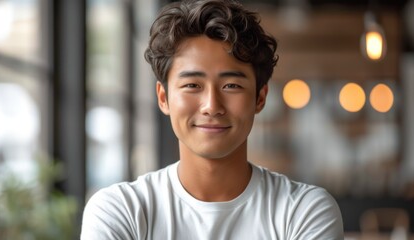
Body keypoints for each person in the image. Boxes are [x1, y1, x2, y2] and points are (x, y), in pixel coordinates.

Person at [81, 0, 344, 239]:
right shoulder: (120, 211)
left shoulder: (303, 211)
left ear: (260, 98)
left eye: (231, 86)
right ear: (164, 98)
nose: (212, 106)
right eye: (193, 85)